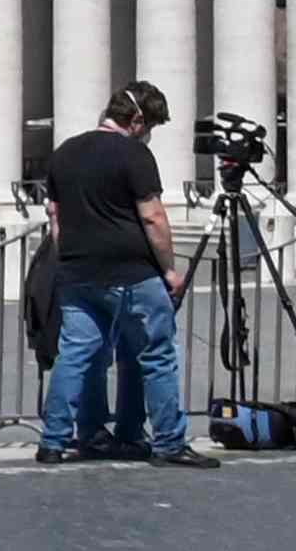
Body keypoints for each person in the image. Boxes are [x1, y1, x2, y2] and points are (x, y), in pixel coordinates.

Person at [33, 80, 192, 465]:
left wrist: (68, 261)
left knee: (75, 355)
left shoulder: (64, 152)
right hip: (132, 272)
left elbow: (56, 219)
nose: (150, 135)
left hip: (77, 272)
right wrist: (170, 270)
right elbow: (152, 217)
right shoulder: (133, 155)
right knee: (156, 354)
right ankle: (169, 443)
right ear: (137, 120)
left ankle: (53, 441)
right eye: (151, 127)